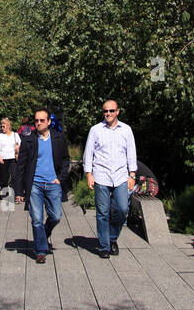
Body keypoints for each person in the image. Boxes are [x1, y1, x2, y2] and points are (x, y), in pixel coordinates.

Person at [83, 99, 138, 258]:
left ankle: (112, 237)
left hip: (121, 175)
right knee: (102, 212)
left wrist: (132, 174)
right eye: (105, 111)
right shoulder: (95, 130)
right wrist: (89, 174)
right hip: (101, 175)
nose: (108, 114)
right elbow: (89, 153)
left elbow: (131, 153)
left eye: (111, 111)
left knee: (122, 209)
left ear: (118, 111)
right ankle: (104, 246)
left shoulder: (126, 130)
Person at [15, 107, 71, 263]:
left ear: (49, 122)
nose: (38, 123)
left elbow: (66, 159)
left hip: (53, 183)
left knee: (56, 216)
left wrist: (60, 178)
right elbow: (21, 165)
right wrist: (19, 191)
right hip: (35, 184)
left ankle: (43, 235)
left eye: (42, 120)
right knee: (37, 218)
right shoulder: (28, 139)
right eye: (36, 121)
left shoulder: (58, 138)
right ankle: (40, 250)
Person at [0, 117, 20, 199]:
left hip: (13, 158)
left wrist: (17, 149)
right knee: (4, 177)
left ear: (9, 126)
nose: (2, 128)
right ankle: (5, 191)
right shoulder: (0, 136)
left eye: (3, 126)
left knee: (14, 175)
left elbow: (20, 145)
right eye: (1, 126)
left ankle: (15, 194)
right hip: (3, 158)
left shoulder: (15, 135)